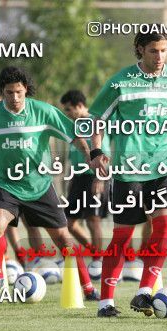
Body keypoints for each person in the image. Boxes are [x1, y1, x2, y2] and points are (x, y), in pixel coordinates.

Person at [0, 66, 98, 300]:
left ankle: (88, 288)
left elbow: (74, 134)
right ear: (2, 92)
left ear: (26, 90)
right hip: (5, 184)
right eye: (9, 92)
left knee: (63, 238)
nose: (15, 98)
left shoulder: (44, 111)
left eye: (19, 92)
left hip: (38, 185)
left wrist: (89, 155)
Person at [89, 27, 167, 317]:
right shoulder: (121, 82)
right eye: (153, 51)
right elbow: (97, 119)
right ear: (140, 50)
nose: (160, 57)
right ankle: (106, 301)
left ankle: (144, 291)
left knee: (165, 227)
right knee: (123, 237)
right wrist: (96, 151)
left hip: (164, 167)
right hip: (129, 169)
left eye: (164, 50)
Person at [0, 86, 42, 270]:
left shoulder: (19, 127)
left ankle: (36, 259)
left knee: (30, 224)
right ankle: (14, 260)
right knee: (2, 227)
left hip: (24, 186)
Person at [60, 89, 110, 263]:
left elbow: (105, 154)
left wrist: (100, 178)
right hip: (78, 179)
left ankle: (98, 263)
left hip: (94, 178)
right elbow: (74, 156)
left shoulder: (95, 123)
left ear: (79, 106)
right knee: (69, 223)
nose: (67, 113)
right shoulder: (74, 127)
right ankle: (95, 254)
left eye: (68, 109)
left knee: (93, 220)